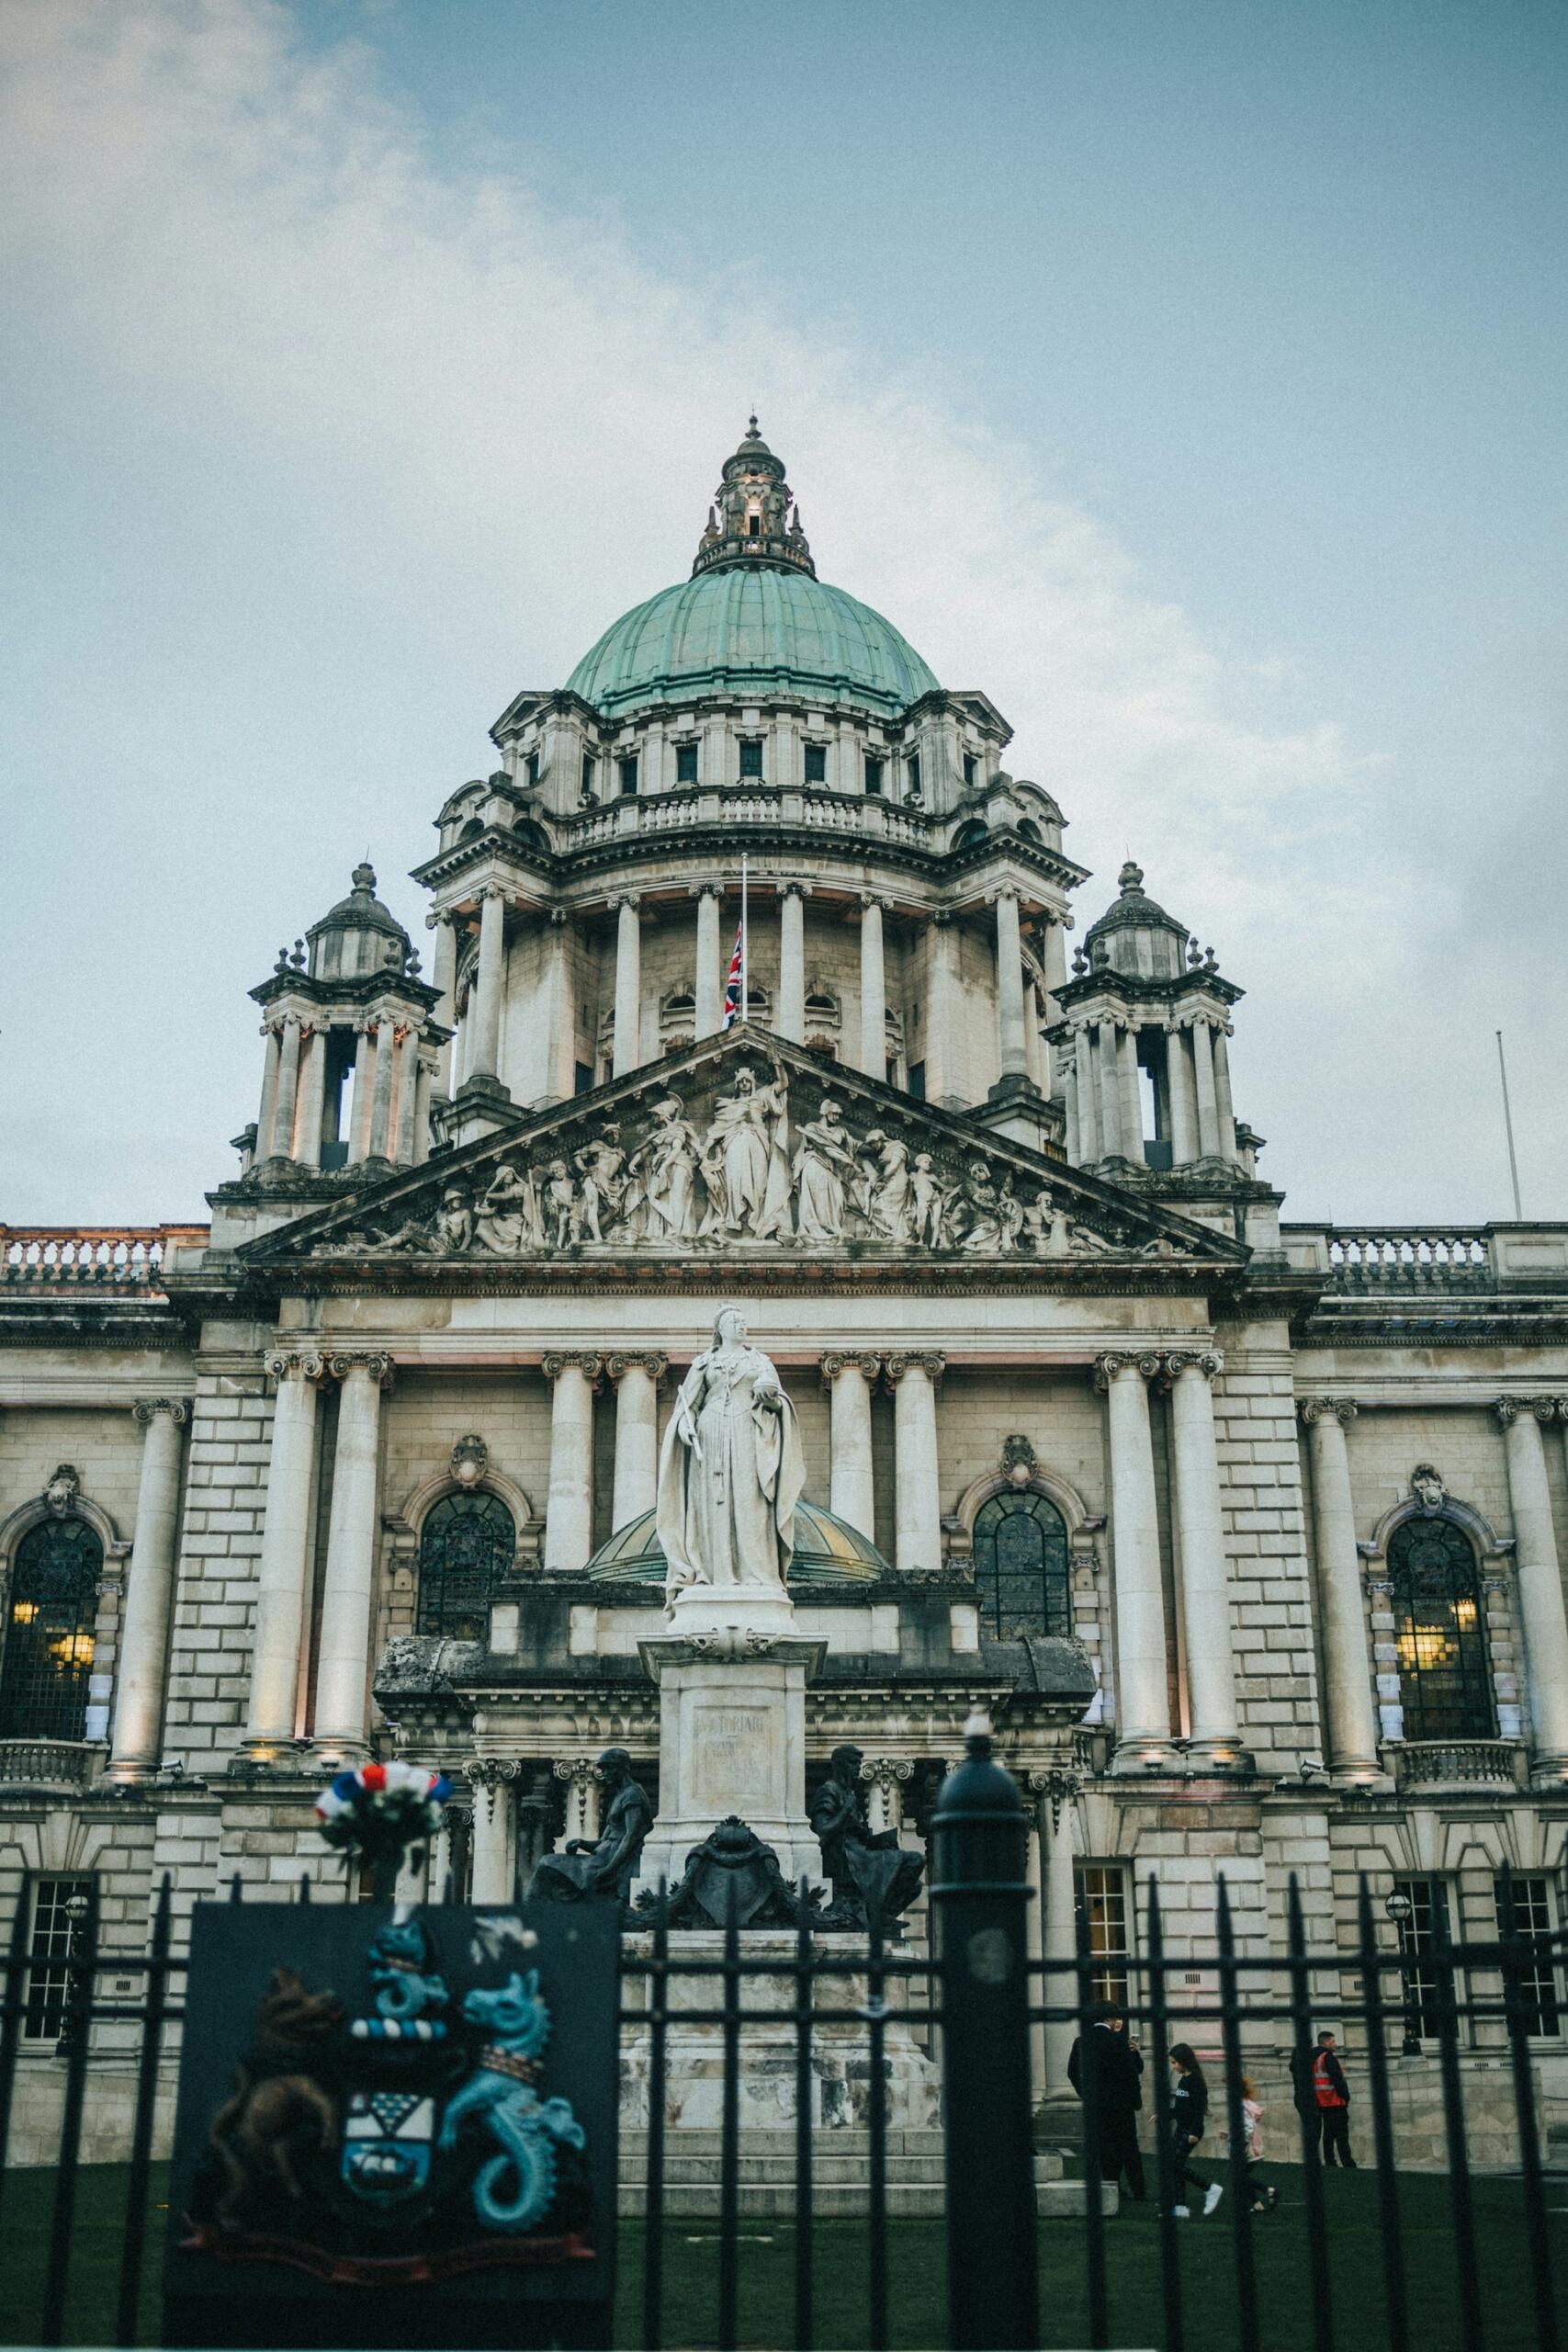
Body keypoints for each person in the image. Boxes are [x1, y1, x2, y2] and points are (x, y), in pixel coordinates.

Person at [1066, 2000, 1146, 2203]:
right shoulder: (1118, 2040)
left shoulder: (1080, 2041)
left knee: (1105, 2147)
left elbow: (1072, 2073)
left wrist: (1086, 2094)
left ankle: (1112, 2188)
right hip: (1121, 2104)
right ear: (1108, 2019)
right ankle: (1139, 2191)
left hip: (1096, 2105)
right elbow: (1134, 2071)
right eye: (1116, 2018)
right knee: (1129, 2148)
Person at [1167, 2044, 1223, 2219]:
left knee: (1174, 2165)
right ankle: (1181, 2207)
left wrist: (1194, 2132)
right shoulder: (1184, 2079)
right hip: (1182, 2128)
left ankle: (1209, 2188)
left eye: (1175, 2062)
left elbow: (1198, 2110)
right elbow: (1181, 2109)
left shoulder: (1195, 2081)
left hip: (1191, 2130)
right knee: (1175, 2166)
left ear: (1184, 2061)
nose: (1173, 2066)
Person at [1313, 2031, 1355, 2167]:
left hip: (1323, 2102)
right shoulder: (1328, 2057)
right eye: (1332, 2041)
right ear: (1325, 2042)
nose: (1334, 2044)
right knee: (1342, 2134)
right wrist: (1345, 2097)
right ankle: (1347, 2161)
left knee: (1328, 2134)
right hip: (1335, 2100)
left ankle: (1330, 2160)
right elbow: (1337, 2079)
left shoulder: (1316, 2058)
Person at [1238, 2075, 1278, 2213]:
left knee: (1239, 2176)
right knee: (1241, 2176)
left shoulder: (1241, 2106)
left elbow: (1248, 2126)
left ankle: (1268, 2191)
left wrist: (1242, 2143)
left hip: (1247, 2147)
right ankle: (1257, 2204)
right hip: (1253, 2145)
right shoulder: (1248, 2103)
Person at [1289, 2036, 1324, 2162]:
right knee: (1315, 2126)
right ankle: (1313, 2157)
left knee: (1311, 2126)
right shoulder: (1303, 2058)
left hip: (1300, 2097)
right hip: (1306, 2097)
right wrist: (1323, 2048)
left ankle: (1312, 2156)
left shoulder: (1297, 2057)